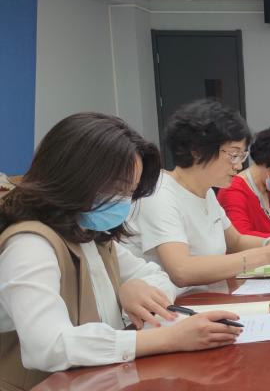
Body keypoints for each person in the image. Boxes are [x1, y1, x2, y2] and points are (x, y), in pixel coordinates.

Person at [0, 113, 241, 389]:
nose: (124, 201)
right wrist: (168, 339)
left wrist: (134, 288)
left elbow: (159, 277)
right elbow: (49, 346)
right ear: (72, 175)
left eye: (130, 191)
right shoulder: (30, 244)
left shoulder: (92, 234)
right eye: (117, 188)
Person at [126, 100, 270, 288]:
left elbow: (236, 241)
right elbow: (181, 270)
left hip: (211, 296)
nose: (239, 165)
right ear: (197, 152)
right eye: (233, 155)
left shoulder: (206, 192)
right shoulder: (159, 195)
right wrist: (265, 255)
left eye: (242, 156)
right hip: (176, 302)